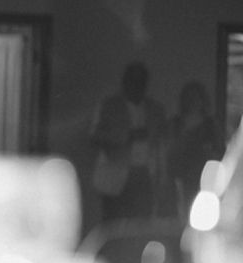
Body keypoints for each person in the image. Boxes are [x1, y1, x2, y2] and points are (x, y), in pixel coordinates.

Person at [90, 61, 166, 222]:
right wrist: (126, 137)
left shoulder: (156, 109)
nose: (136, 85)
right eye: (132, 80)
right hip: (115, 176)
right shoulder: (109, 106)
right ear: (125, 82)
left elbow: (162, 141)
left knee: (141, 225)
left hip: (145, 174)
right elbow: (95, 136)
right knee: (113, 225)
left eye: (141, 81)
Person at [167, 80, 223, 222]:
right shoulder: (175, 124)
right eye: (189, 97)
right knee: (180, 211)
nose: (192, 101)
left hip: (203, 177)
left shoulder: (210, 125)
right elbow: (169, 149)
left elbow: (219, 151)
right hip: (179, 177)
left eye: (196, 97)